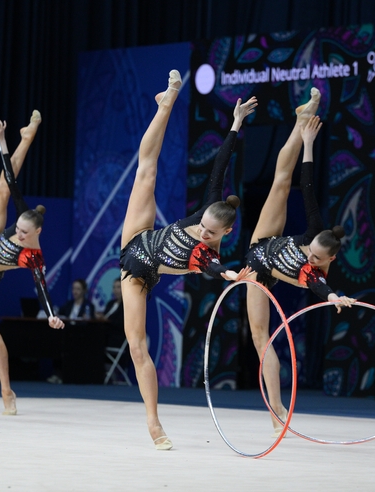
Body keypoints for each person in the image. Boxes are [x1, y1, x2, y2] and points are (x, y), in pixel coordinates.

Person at [119, 70, 256, 450]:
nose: (203, 233)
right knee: (146, 171)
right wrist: (235, 123)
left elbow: (210, 267)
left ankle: (153, 421)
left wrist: (229, 273)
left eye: (211, 234)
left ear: (225, 234)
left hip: (139, 275)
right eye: (203, 227)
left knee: (137, 345)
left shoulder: (209, 251)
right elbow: (221, 165)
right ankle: (169, 101)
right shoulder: (208, 209)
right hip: (138, 241)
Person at [243, 95, 357, 435]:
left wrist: (334, 296)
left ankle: (277, 406)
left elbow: (320, 286)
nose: (311, 258)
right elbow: (307, 185)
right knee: (282, 179)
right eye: (310, 253)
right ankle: (300, 119)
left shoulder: (315, 271)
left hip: (272, 271)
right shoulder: (312, 232)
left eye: (318, 259)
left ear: (330, 259)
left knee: (264, 336)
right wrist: (308, 141)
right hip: (260, 254)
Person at [0, 112, 64, 416]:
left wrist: (50, 316)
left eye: (23, 233)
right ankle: (27, 136)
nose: (18, 235)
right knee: (2, 188)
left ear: (37, 232)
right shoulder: (23, 217)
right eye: (18, 230)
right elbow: (11, 179)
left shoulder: (34, 257)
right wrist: (1, 142)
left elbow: (41, 288)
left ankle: (6, 391)